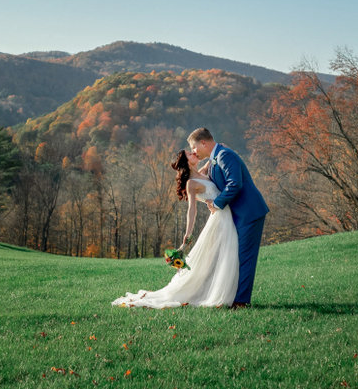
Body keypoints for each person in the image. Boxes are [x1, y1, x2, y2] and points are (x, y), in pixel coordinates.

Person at [111, 150, 239, 309]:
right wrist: (188, 233)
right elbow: (192, 210)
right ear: (187, 161)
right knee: (221, 258)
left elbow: (216, 152)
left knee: (220, 258)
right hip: (219, 220)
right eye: (190, 153)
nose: (194, 153)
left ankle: (222, 293)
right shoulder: (191, 183)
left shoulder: (203, 172)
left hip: (224, 217)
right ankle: (217, 295)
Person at [186, 127, 268, 308]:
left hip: (249, 212)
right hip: (237, 214)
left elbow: (235, 183)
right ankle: (234, 298)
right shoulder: (216, 157)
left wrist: (216, 204)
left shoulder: (224, 155)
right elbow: (201, 177)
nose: (194, 152)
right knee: (236, 256)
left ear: (203, 143)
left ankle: (241, 301)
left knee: (245, 257)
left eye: (194, 147)